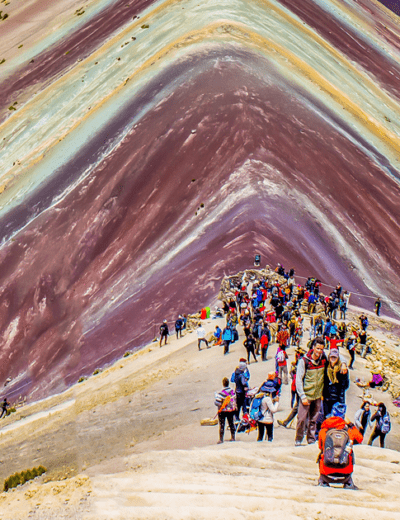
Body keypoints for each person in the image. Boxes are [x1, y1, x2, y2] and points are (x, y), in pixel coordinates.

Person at [317, 403, 363, 488]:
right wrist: (351, 425)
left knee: (322, 452)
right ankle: (348, 482)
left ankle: (322, 481)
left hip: (326, 473)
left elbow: (320, 446)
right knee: (350, 452)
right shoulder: (349, 431)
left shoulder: (324, 430)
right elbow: (360, 438)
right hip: (345, 474)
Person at [295, 337, 328, 446]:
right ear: (313, 347)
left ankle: (311, 439)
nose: (319, 351)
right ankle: (298, 439)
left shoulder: (323, 359)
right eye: (318, 348)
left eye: (321, 349)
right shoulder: (304, 361)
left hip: (318, 395)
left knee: (314, 420)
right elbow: (298, 379)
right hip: (307, 395)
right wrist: (302, 395)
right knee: (301, 419)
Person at [323, 349, 349, 419]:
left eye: (335, 357)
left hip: (337, 399)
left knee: (336, 420)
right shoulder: (326, 367)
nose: (333, 359)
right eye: (332, 357)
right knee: (326, 419)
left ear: (338, 358)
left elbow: (345, 385)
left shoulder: (342, 370)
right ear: (329, 357)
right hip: (327, 399)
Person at [215, 377, 237, 444]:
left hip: (222, 411)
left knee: (222, 425)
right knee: (231, 423)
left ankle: (221, 439)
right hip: (230, 410)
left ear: (223, 384)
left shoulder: (220, 392)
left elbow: (217, 402)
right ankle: (233, 437)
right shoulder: (232, 391)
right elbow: (234, 400)